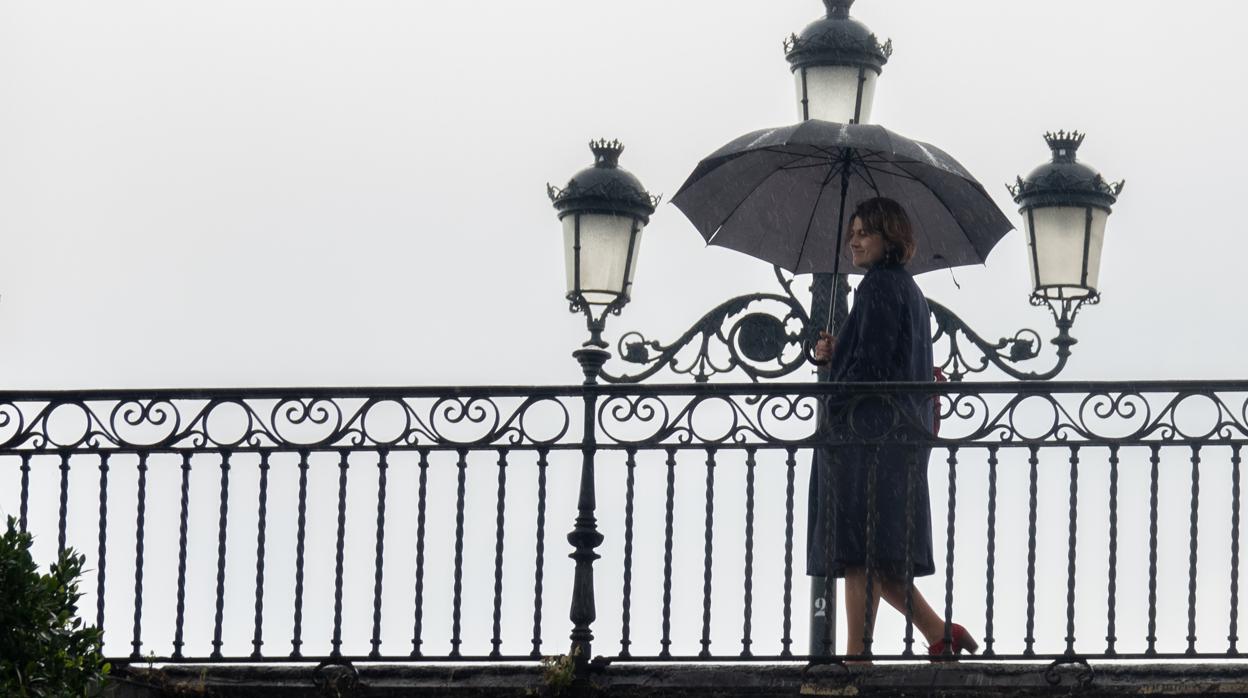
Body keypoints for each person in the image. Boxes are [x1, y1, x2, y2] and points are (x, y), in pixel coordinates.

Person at [809, 197, 977, 658]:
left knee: (859, 552)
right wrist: (839, 349)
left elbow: (873, 370)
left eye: (866, 232)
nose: (855, 240)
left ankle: (858, 655)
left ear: (890, 239)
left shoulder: (878, 287)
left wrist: (836, 377)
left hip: (869, 438)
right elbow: (888, 357)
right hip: (897, 437)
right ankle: (935, 635)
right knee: (871, 554)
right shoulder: (907, 290)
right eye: (853, 232)